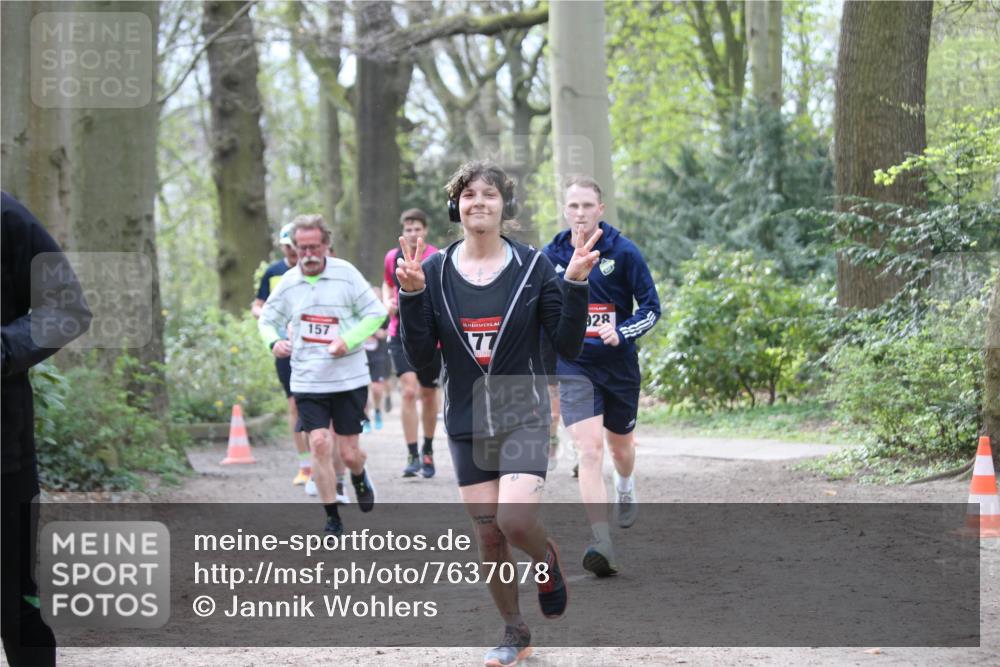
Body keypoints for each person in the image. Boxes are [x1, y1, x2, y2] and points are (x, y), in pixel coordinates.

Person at [396, 161, 601, 667]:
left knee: (512, 520)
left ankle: (544, 555)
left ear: (504, 206)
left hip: (521, 404)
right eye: (468, 195)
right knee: (488, 535)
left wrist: (574, 284)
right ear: (456, 207)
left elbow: (568, 340)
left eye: (489, 194)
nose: (478, 202)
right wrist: (412, 295)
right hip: (465, 412)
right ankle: (514, 631)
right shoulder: (436, 271)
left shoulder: (534, 267)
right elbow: (423, 363)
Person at [542, 176, 661, 578]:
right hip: (574, 365)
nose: (580, 213)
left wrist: (622, 330)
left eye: (587, 206)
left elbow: (650, 307)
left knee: (620, 449)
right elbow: (540, 307)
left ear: (600, 210)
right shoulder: (551, 254)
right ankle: (601, 540)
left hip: (618, 366)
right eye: (573, 206)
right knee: (589, 450)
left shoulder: (624, 253)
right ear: (565, 210)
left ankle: (626, 486)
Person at [2, 192, 92, 666]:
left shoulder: (7, 217)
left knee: (15, 599)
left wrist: (2, 347)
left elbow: (67, 309)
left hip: (3, 453)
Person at [258, 214, 387, 536]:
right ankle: (332, 517)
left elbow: (377, 313)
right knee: (318, 442)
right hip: (307, 378)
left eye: (314, 247)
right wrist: (274, 342)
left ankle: (358, 474)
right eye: (302, 249)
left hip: (348, 378)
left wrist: (348, 339)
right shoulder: (288, 282)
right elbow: (266, 320)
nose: (308, 254)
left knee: (348, 452)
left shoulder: (347, 275)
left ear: (326, 245)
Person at [382, 209, 441, 478]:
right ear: (403, 231)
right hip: (399, 331)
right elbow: (387, 283)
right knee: (408, 391)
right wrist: (388, 301)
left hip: (431, 337)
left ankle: (428, 450)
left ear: (425, 231)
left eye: (417, 228)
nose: (413, 233)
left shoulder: (437, 257)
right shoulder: (392, 257)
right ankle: (412, 454)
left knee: (428, 395)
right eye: (408, 228)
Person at [363, 286, 391, 433]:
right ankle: (365, 418)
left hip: (379, 354)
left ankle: (377, 411)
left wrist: (383, 333)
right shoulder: (360, 312)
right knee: (362, 390)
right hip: (362, 354)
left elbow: (390, 330)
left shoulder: (382, 314)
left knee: (376, 388)